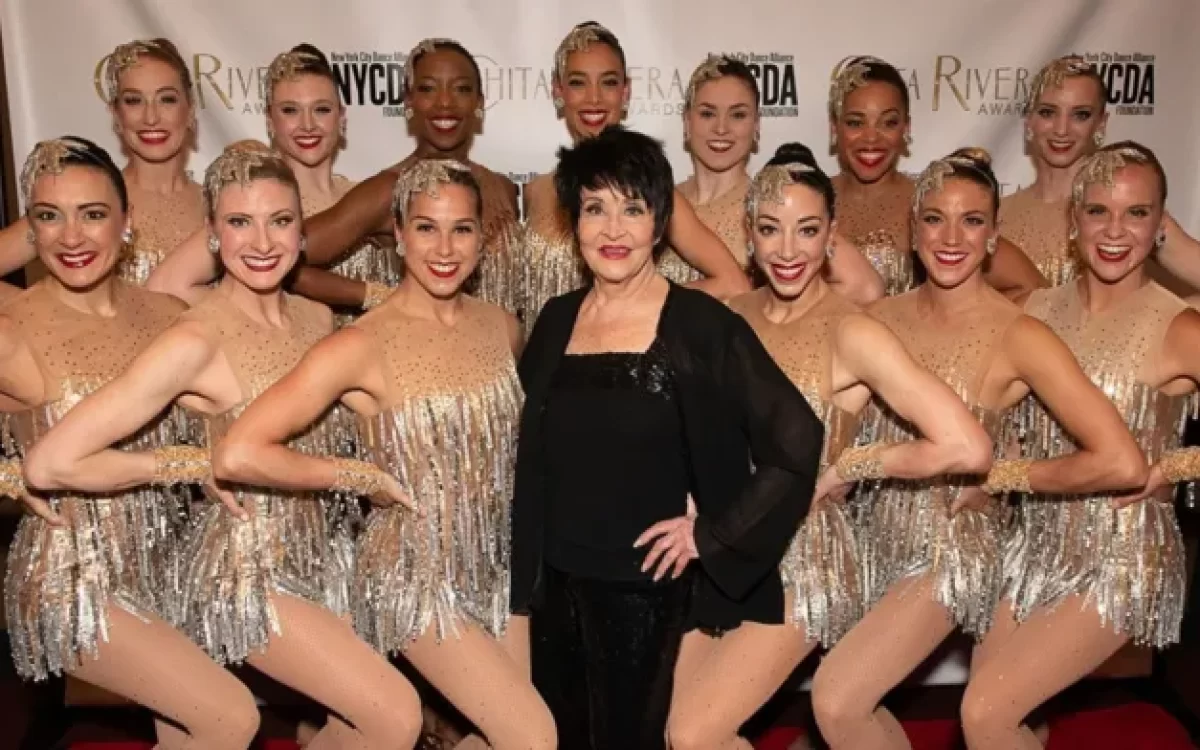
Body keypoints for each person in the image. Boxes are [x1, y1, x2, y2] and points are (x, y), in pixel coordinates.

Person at [25, 141, 422, 748]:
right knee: (391, 715)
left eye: (279, 221)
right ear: (211, 235)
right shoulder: (193, 336)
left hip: (318, 561)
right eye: (239, 222)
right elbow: (52, 460)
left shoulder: (317, 321)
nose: (261, 242)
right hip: (246, 572)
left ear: (301, 232)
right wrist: (182, 464)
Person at [809, 148, 1148, 750]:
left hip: (954, 548)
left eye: (971, 221)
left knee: (838, 700)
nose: (951, 237)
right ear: (913, 231)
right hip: (873, 539)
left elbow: (1120, 460)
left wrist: (1005, 476)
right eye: (935, 218)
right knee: (993, 722)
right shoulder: (875, 319)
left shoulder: (1019, 333)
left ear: (994, 236)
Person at [211, 159, 555, 750]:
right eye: (425, 228)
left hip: (499, 569)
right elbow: (239, 451)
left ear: (482, 238)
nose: (444, 248)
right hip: (413, 573)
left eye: (462, 229)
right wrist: (353, 475)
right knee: (533, 737)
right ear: (396, 235)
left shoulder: (503, 327)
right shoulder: (358, 344)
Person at [665, 143, 992, 750]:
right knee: (668, 728)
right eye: (771, 230)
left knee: (693, 734)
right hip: (721, 546)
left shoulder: (853, 330)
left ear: (831, 236)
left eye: (807, 230)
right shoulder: (728, 315)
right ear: (749, 236)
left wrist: (851, 465)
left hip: (802, 558)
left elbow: (967, 446)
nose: (788, 251)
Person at [513, 124, 824, 749]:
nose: (613, 230)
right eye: (595, 209)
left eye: (633, 209)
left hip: (645, 592)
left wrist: (713, 530)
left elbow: (796, 439)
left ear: (660, 223)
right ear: (574, 222)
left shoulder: (699, 323)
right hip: (556, 586)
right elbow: (532, 455)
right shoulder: (554, 321)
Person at [7, 137, 259, 748]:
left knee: (192, 733)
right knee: (231, 716)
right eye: (48, 215)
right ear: (29, 230)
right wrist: (13, 476)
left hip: (170, 565)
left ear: (127, 225)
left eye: (92, 214)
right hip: (72, 579)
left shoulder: (171, 314)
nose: (71, 237)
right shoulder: (13, 325)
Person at [964, 142, 1200, 749]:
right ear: (1074, 221)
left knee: (986, 714)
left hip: (1121, 558)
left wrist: (1174, 463)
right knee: (1005, 715)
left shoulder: (1180, 326)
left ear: (1161, 225)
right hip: (1033, 546)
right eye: (1098, 211)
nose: (1115, 232)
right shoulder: (1037, 310)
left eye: (1137, 213)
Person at [520, 23, 750, 333]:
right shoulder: (536, 190)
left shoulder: (648, 186)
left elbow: (733, 282)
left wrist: (640, 305)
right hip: (551, 362)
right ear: (558, 91)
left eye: (609, 83)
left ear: (625, 92)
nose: (594, 99)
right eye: (578, 83)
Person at [148, 44, 401, 318]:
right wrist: (263, 324)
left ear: (341, 117)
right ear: (269, 119)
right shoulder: (256, 201)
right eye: (290, 110)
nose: (307, 125)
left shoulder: (365, 197)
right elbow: (167, 286)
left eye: (322, 110)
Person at [291, 38, 522, 316]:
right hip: (417, 354)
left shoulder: (503, 188)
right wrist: (375, 296)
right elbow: (279, 252)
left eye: (461, 89)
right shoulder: (390, 189)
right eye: (427, 89)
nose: (445, 102)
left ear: (479, 101)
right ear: (409, 100)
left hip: (500, 355)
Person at [667, 55, 883, 304]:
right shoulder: (658, 198)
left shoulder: (774, 201)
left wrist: (777, 316)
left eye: (738, 115)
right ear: (686, 121)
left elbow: (865, 287)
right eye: (707, 114)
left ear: (757, 124)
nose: (721, 128)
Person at [827, 56, 1044, 298]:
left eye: (888, 123)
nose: (871, 138)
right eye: (856, 123)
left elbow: (1030, 288)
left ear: (906, 129)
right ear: (835, 128)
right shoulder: (812, 204)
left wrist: (971, 329)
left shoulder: (931, 201)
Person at [0, 40, 203, 291]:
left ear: (190, 109)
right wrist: (35, 315)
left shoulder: (220, 208)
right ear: (116, 115)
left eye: (167, 99)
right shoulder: (88, 201)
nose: (151, 117)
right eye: (133, 101)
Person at [1002, 55, 1200, 290]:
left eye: (1081, 114)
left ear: (1101, 124)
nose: (1062, 129)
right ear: (1029, 121)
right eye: (1048, 112)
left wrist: (1165, 319)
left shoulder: (1127, 212)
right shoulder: (996, 214)